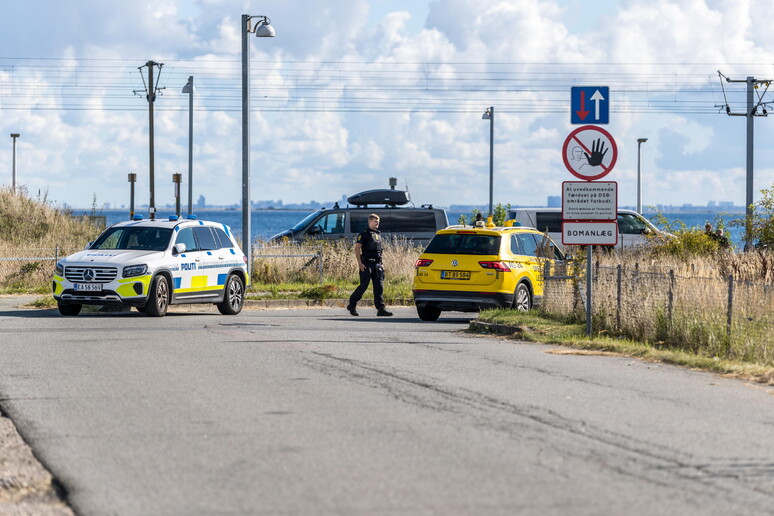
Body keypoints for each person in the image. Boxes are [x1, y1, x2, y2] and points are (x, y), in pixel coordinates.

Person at [347, 214, 393, 317]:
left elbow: (379, 251)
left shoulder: (378, 234)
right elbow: (357, 248)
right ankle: (352, 304)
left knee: (379, 287)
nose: (377, 223)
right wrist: (360, 263)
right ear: (370, 221)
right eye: (375, 221)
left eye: (378, 221)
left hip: (377, 265)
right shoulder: (364, 234)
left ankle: (381, 309)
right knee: (363, 286)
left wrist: (381, 263)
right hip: (366, 264)